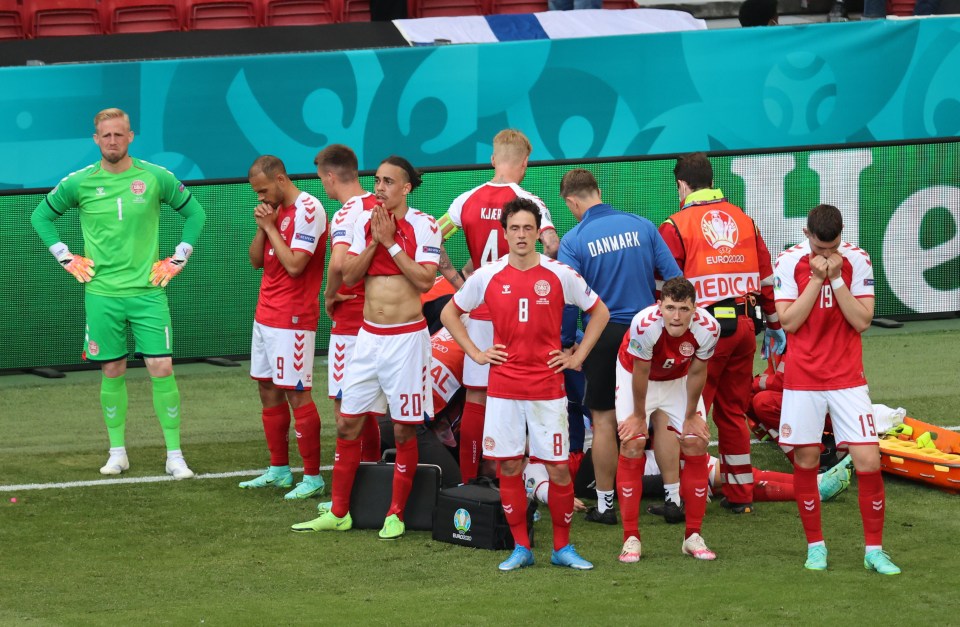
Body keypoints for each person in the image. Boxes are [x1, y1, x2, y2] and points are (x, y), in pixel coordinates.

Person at [30, 107, 205, 479]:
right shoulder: (79, 182)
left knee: (162, 367)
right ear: (96, 139)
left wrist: (179, 258)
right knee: (112, 369)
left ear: (130, 137)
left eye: (119, 134)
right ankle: (117, 453)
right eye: (105, 135)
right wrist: (63, 255)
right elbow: (40, 217)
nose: (112, 141)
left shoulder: (155, 177)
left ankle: (175, 454)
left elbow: (197, 215)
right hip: (101, 293)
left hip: (149, 292)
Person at [440, 197, 611, 572]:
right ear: (504, 233)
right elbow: (449, 312)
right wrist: (475, 352)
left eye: (527, 228)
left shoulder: (559, 273)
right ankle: (521, 547)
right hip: (503, 389)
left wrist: (578, 357)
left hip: (548, 390)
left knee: (559, 470)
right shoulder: (487, 275)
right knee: (510, 468)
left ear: (538, 232)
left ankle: (562, 548)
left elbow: (600, 311)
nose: (520, 235)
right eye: (514, 228)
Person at [292, 156, 440, 540]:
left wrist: (391, 244)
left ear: (406, 188)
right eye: (377, 180)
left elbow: (425, 280)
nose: (379, 188)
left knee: (406, 431)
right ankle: (339, 512)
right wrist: (376, 240)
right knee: (347, 420)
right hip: (368, 338)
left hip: (407, 340)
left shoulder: (425, 225)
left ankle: (396, 513)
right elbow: (350, 275)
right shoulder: (362, 221)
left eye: (389, 182)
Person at [774, 203, 901, 575]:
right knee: (807, 460)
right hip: (803, 380)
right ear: (807, 236)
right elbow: (789, 322)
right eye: (819, 250)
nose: (826, 257)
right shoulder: (788, 262)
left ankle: (874, 551)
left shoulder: (858, 260)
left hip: (847, 377)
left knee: (868, 461)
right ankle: (816, 548)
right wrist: (816, 280)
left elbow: (862, 320)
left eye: (833, 249)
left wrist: (838, 279)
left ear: (841, 237)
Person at [659, 152, 786, 514]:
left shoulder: (675, 224)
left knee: (690, 413)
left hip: (704, 332)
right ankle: (740, 497)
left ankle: (686, 497)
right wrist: (775, 326)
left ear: (682, 184)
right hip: (747, 328)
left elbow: (666, 289)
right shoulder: (744, 219)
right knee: (732, 412)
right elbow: (766, 279)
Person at [557, 168, 682, 526]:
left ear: (572, 201)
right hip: (649, 330)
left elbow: (568, 301)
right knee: (659, 415)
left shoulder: (574, 239)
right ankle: (673, 500)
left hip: (604, 335)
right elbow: (674, 281)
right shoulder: (643, 226)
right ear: (598, 190)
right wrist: (670, 323)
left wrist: (569, 346)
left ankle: (605, 505)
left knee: (604, 419)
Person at [436, 129, 560, 484]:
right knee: (526, 392)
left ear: (493, 159)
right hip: (520, 311)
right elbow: (551, 245)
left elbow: (432, 240)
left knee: (476, 396)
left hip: (480, 309)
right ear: (524, 163)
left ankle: (469, 481)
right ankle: (529, 478)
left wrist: (456, 277)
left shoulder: (466, 200)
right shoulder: (528, 201)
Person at [239, 156, 327, 499]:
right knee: (267, 388)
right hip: (266, 314)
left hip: (293, 317)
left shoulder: (309, 208)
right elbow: (256, 261)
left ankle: (313, 477)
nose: (260, 197)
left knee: (297, 391)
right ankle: (278, 470)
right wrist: (264, 227)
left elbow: (295, 265)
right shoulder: (271, 211)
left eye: (263, 190)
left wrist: (272, 227)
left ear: (280, 179)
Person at [613, 277, 720, 562]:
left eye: (684, 309)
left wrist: (690, 417)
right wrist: (638, 416)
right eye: (670, 307)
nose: (676, 316)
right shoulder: (644, 324)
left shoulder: (709, 328)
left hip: (678, 378)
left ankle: (693, 536)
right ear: (660, 306)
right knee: (633, 443)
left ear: (694, 309)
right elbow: (641, 371)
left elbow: (698, 372)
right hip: (635, 374)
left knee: (696, 442)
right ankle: (631, 537)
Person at [315, 144, 382, 463]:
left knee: (346, 413)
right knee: (368, 410)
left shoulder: (346, 211)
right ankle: (370, 479)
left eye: (321, 180)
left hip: (352, 322)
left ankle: (352, 487)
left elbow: (339, 264)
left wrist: (329, 295)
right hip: (380, 322)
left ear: (330, 177)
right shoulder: (380, 203)